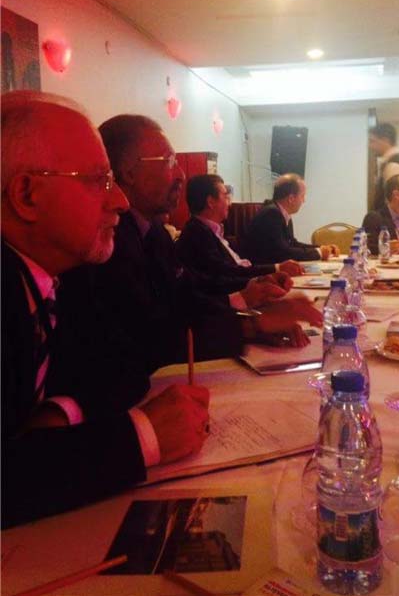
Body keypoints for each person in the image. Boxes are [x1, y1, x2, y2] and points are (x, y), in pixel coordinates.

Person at [1, 91, 210, 527]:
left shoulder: (58, 277)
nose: (119, 201)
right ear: (27, 194)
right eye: (98, 180)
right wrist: (144, 436)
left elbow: (123, 367)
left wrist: (59, 411)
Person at [94, 115, 322, 371]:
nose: (181, 174)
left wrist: (252, 316)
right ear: (128, 172)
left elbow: (187, 296)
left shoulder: (153, 231)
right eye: (169, 162)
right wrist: (252, 325)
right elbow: (150, 336)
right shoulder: (109, 240)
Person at [176, 173, 304, 292]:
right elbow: (225, 274)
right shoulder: (197, 234)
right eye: (225, 196)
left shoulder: (210, 230)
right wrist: (273, 271)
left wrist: (271, 273)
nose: (230, 203)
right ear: (210, 202)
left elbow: (235, 268)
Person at [244, 173, 340, 264]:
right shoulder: (271, 214)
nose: (304, 201)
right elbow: (282, 253)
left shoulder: (281, 213)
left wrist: (323, 248)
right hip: (262, 271)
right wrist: (318, 252)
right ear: (291, 198)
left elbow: (292, 244)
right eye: (302, 196)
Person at [369, 123, 399, 211]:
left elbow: (395, 208)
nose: (370, 146)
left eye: (372, 141)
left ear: (385, 140)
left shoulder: (394, 166)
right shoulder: (393, 162)